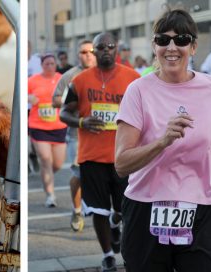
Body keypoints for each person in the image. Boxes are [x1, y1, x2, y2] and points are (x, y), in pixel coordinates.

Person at [114, 9, 211, 271]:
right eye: (163, 40)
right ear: (154, 46)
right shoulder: (138, 91)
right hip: (146, 206)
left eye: (181, 40)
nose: (171, 47)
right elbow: (122, 163)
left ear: (193, 47)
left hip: (203, 206)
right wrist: (162, 141)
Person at [60, 32, 140, 272]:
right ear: (93, 52)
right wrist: (82, 122)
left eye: (110, 46)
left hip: (123, 156)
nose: (106, 50)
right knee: (98, 210)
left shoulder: (133, 78)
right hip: (91, 156)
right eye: (100, 47)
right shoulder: (80, 81)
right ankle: (107, 255)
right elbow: (64, 112)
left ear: (116, 50)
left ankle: (117, 225)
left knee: (125, 209)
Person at [52, 40, 96, 231]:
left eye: (91, 51)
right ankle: (77, 210)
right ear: (78, 55)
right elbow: (55, 100)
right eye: (83, 52)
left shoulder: (105, 73)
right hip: (77, 133)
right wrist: (73, 103)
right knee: (79, 175)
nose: (87, 55)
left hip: (105, 133)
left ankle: (111, 213)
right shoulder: (70, 76)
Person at [28, 54, 66, 207]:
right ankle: (50, 195)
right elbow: (22, 93)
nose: (50, 66)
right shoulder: (33, 80)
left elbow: (71, 96)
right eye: (47, 64)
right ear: (42, 65)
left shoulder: (62, 79)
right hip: (39, 126)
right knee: (45, 159)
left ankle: (46, 173)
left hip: (58, 126)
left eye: (52, 63)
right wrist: (29, 97)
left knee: (57, 164)